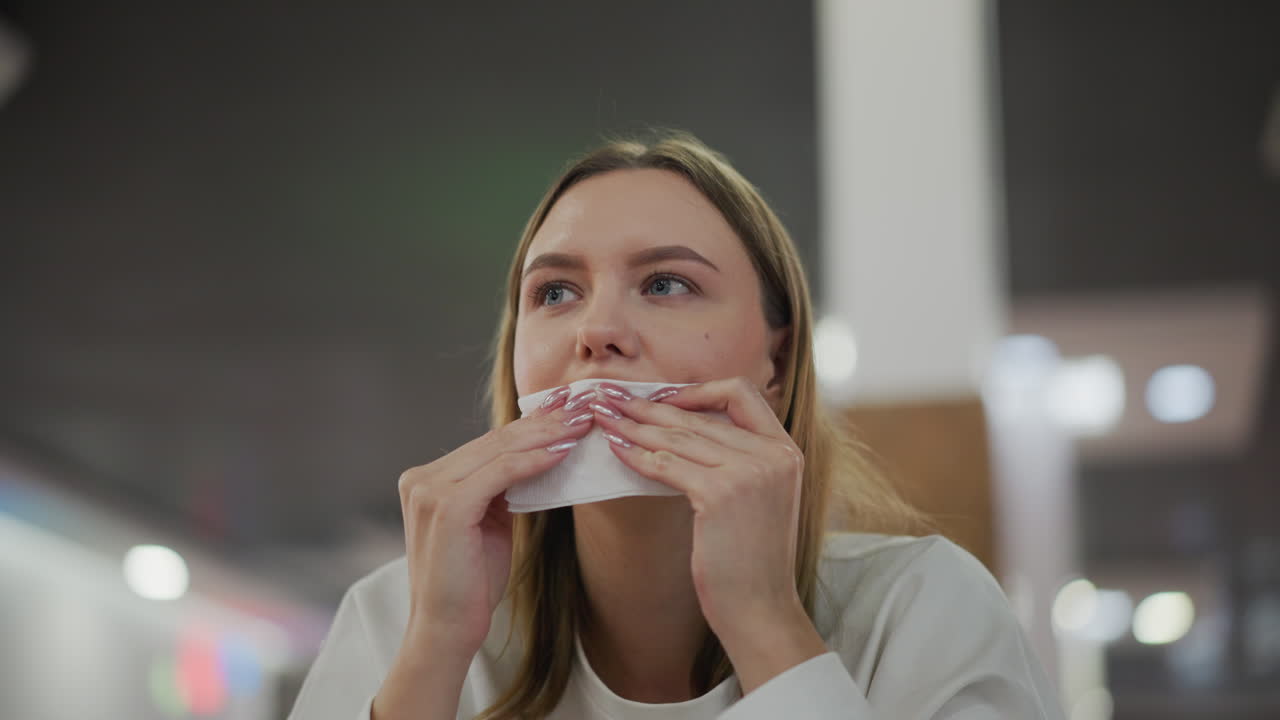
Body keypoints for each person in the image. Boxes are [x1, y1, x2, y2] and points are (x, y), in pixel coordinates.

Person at [288, 132, 1065, 719]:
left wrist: (763, 617)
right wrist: (435, 651)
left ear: (779, 363)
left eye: (665, 283)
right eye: (555, 293)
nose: (597, 331)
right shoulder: (398, 618)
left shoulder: (923, 606)